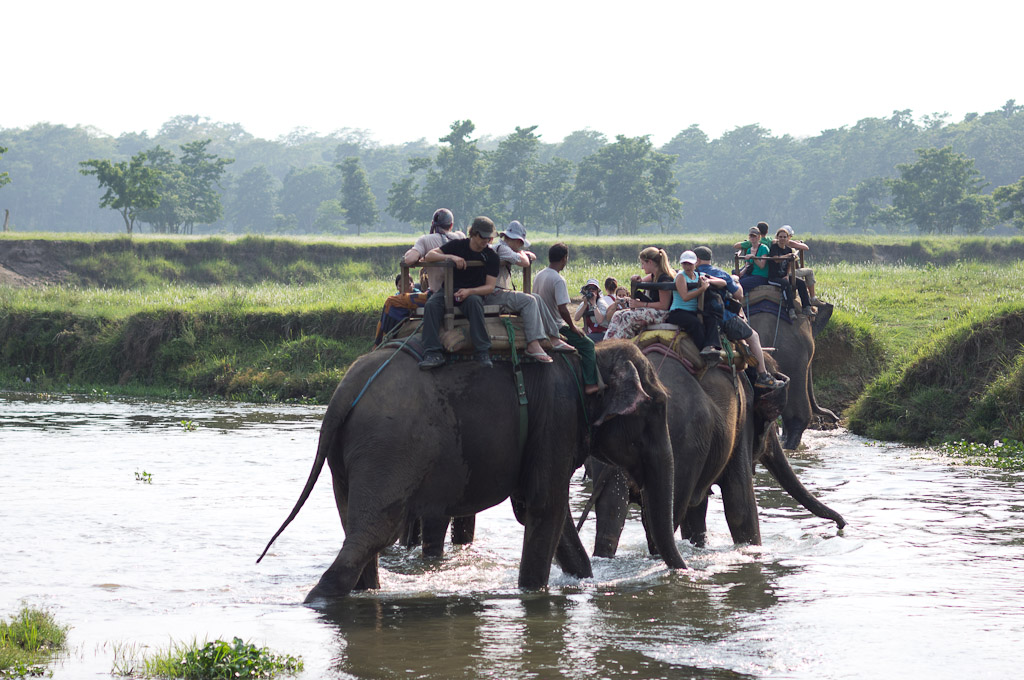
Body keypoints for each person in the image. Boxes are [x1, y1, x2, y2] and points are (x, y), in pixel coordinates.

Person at [485, 220, 574, 363]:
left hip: (499, 293)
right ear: (516, 240)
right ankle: (533, 344)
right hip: (493, 294)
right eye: (520, 244)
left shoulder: (506, 249)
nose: (521, 247)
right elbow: (525, 262)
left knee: (536, 297)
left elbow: (529, 256)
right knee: (529, 300)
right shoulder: (502, 249)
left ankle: (554, 337)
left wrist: (522, 253)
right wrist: (522, 253)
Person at [418, 217, 500, 370]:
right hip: (449, 290)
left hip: (472, 293)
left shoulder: (491, 256)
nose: (486, 240)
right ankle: (432, 352)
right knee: (431, 305)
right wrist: (451, 257)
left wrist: (470, 291)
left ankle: (482, 350)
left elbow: (489, 287)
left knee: (475, 303)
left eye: (489, 237)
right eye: (483, 236)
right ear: (474, 234)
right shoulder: (457, 245)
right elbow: (430, 255)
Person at [693, 246, 779, 389]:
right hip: (723, 318)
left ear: (697, 260)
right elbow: (738, 295)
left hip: (693, 316)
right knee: (754, 337)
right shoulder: (719, 274)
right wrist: (736, 282)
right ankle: (763, 375)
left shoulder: (687, 274)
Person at [373, 208, 461, 346]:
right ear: (451, 225)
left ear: (433, 224)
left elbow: (409, 259)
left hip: (436, 296)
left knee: (392, 302)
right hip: (460, 293)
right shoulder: (460, 237)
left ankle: (380, 344)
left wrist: (419, 254)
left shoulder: (426, 240)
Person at [534, 243, 601, 395]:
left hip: (539, 323)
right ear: (564, 259)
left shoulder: (540, 274)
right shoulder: (558, 279)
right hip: (556, 326)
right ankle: (590, 384)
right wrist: (572, 326)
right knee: (588, 346)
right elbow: (562, 309)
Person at [603, 247, 675, 341]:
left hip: (663, 313)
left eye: (643, 263)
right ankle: (607, 343)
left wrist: (640, 304)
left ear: (650, 262)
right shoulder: (654, 275)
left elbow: (664, 305)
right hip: (654, 311)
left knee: (627, 317)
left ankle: (620, 344)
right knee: (617, 314)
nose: (642, 267)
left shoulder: (664, 279)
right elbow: (639, 283)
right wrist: (635, 279)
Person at [665, 250, 722, 349]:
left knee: (712, 319)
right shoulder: (681, 277)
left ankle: (713, 346)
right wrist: (702, 289)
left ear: (696, 263)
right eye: (685, 264)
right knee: (695, 324)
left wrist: (708, 280)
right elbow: (685, 297)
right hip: (679, 312)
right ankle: (703, 350)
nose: (687, 267)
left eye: (690, 264)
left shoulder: (699, 275)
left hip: (693, 311)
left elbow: (723, 282)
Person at [768, 225, 813, 319]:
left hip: (784, 275)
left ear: (788, 238)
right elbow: (776, 259)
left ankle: (807, 307)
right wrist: (788, 255)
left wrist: (787, 274)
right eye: (780, 237)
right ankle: (790, 309)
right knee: (786, 284)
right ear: (777, 237)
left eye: (784, 237)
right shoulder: (774, 247)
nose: (782, 239)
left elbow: (789, 263)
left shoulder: (788, 249)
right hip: (774, 277)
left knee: (801, 283)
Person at [778, 224, 821, 305]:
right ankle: (813, 298)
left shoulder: (775, 244)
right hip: (788, 272)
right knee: (810, 271)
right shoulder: (789, 244)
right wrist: (796, 243)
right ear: (789, 236)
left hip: (780, 271)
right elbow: (806, 247)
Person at [734, 226, 770, 292]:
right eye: (751, 236)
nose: (752, 238)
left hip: (761, 276)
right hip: (751, 274)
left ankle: (741, 299)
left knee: (741, 283)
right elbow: (747, 265)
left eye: (754, 236)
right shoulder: (749, 250)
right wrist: (742, 272)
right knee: (734, 280)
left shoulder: (764, 248)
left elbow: (762, 266)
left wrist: (753, 257)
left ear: (759, 237)